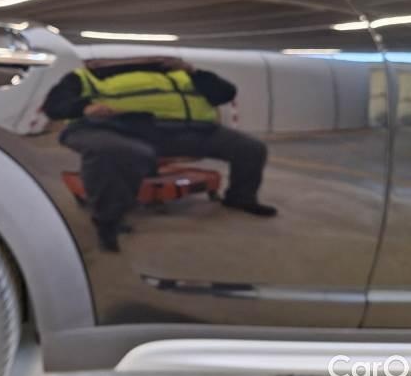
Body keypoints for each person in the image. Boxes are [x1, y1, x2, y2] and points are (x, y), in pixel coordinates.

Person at [43, 56, 276, 252]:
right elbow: (54, 106)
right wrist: (85, 108)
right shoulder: (84, 76)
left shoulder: (183, 75)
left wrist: (194, 72)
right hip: (115, 130)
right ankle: (108, 220)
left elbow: (225, 93)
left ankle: (241, 198)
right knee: (118, 152)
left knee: (250, 148)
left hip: (189, 131)